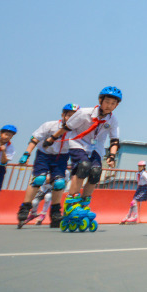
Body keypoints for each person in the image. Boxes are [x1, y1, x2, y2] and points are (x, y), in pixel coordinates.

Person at [41, 87, 121, 226]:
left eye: (113, 103)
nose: (109, 106)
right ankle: (71, 202)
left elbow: (114, 140)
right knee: (83, 167)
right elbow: (67, 128)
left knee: (96, 172)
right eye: (107, 102)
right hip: (78, 143)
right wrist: (52, 138)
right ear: (100, 100)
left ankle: (84, 204)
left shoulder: (113, 120)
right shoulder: (84, 113)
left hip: (96, 147)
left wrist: (112, 156)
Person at [16, 103, 79, 228]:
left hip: (61, 157)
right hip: (44, 155)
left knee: (60, 183)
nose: (71, 118)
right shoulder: (50, 125)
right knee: (39, 179)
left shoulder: (77, 131)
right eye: (69, 115)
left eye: (74, 116)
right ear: (63, 115)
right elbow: (35, 138)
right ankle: (25, 207)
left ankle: (55, 212)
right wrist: (26, 153)